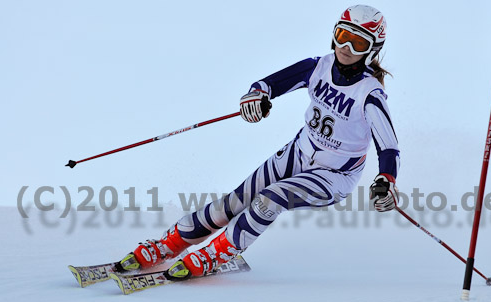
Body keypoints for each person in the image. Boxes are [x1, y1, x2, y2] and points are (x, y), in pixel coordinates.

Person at [118, 4, 401, 279]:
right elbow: (267, 85)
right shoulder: (317, 67)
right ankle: (169, 244)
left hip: (334, 175)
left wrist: (387, 179)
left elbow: (388, 146)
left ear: (372, 49)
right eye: (342, 36)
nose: (346, 48)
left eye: (358, 43)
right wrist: (256, 96)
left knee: (270, 199)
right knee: (234, 201)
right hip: (297, 153)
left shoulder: (370, 94)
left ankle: (218, 253)